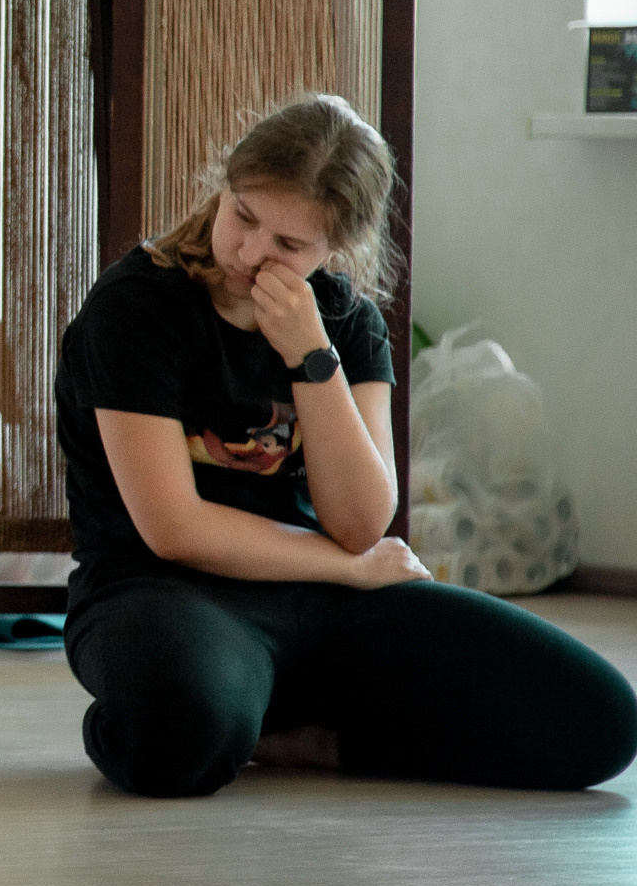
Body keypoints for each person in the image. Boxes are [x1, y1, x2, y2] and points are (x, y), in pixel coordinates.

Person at [57, 93, 636, 798]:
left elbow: (362, 522)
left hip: (317, 598)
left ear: (335, 247)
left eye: (288, 245)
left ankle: (300, 740)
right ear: (224, 185)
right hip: (160, 595)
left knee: (599, 722)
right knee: (178, 734)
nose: (249, 253)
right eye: (243, 215)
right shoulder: (133, 308)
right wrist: (349, 569)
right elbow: (174, 527)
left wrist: (312, 356)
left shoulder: (348, 324)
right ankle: (226, 712)